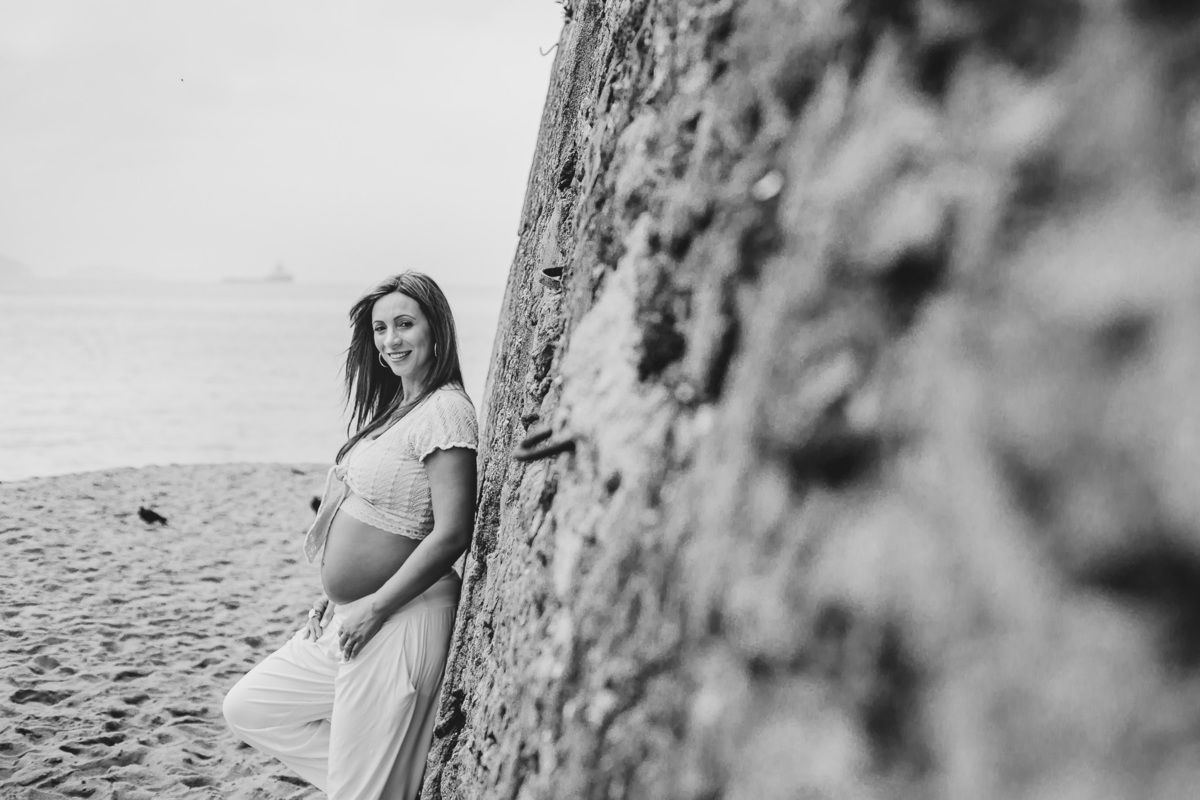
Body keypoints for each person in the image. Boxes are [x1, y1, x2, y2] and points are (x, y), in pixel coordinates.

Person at [223, 271, 478, 800]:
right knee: (250, 708)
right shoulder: (397, 409)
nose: (391, 340)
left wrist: (376, 605)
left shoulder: (446, 410)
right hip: (354, 616)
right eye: (381, 328)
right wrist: (334, 593)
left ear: (437, 330)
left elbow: (454, 533)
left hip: (400, 619)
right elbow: (383, 514)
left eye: (405, 324)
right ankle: (383, 780)